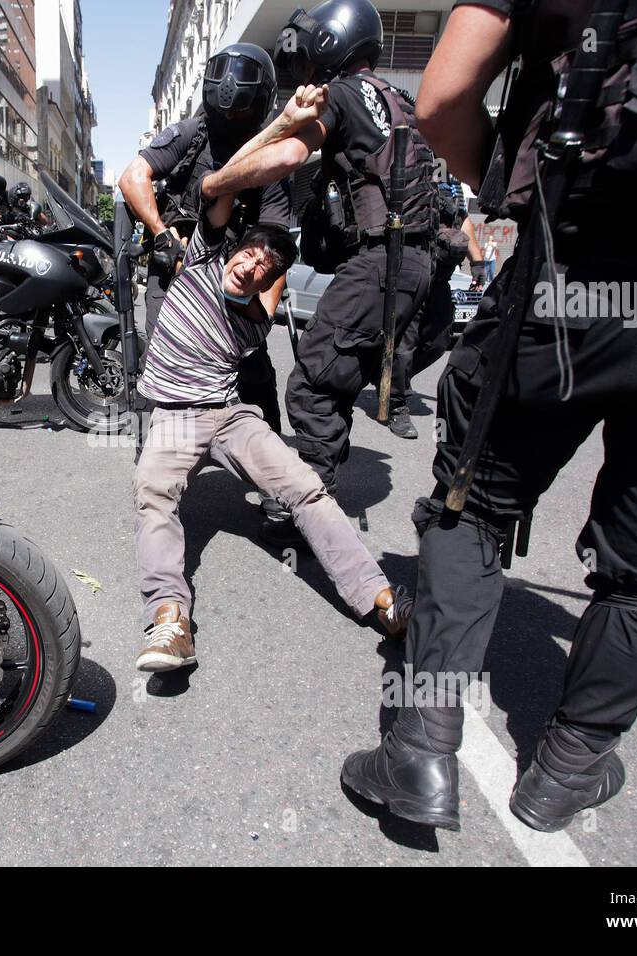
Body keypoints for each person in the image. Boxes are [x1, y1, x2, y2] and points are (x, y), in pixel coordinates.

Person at [339, 0, 637, 833]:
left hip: (572, 273)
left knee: (471, 505)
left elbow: (441, 100)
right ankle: (567, 771)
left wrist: (523, 196)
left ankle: (423, 741)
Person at [133, 88, 413, 674]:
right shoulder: (202, 257)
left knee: (307, 489)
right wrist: (284, 123)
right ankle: (169, 621)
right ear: (234, 249)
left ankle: (382, 599)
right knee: (155, 497)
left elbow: (267, 290)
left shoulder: (254, 322)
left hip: (231, 416)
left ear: (268, 282)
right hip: (176, 417)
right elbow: (218, 186)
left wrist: (269, 283)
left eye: (265, 266)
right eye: (251, 253)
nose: (252, 262)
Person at [200, 0, 437, 545]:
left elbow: (286, 160)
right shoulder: (400, 98)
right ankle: (317, 482)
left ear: (329, 44)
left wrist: (221, 182)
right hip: (416, 264)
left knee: (312, 383)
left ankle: (304, 509)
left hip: (381, 261)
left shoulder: (344, 95)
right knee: (338, 376)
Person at [120, 43, 290, 433]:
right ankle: (158, 454)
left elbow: (276, 244)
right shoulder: (190, 135)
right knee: (164, 363)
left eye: (239, 110)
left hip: (234, 279)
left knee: (254, 370)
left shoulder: (269, 156)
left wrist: (261, 311)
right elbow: (132, 178)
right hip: (176, 272)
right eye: (225, 108)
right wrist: (163, 238)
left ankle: (267, 462)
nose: (231, 115)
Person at [386, 186, 472, 439]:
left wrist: (477, 263)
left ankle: (393, 377)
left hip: (440, 280)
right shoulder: (411, 176)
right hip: (412, 275)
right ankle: (397, 403)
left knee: (439, 341)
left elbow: (465, 223)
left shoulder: (452, 185)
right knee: (404, 346)